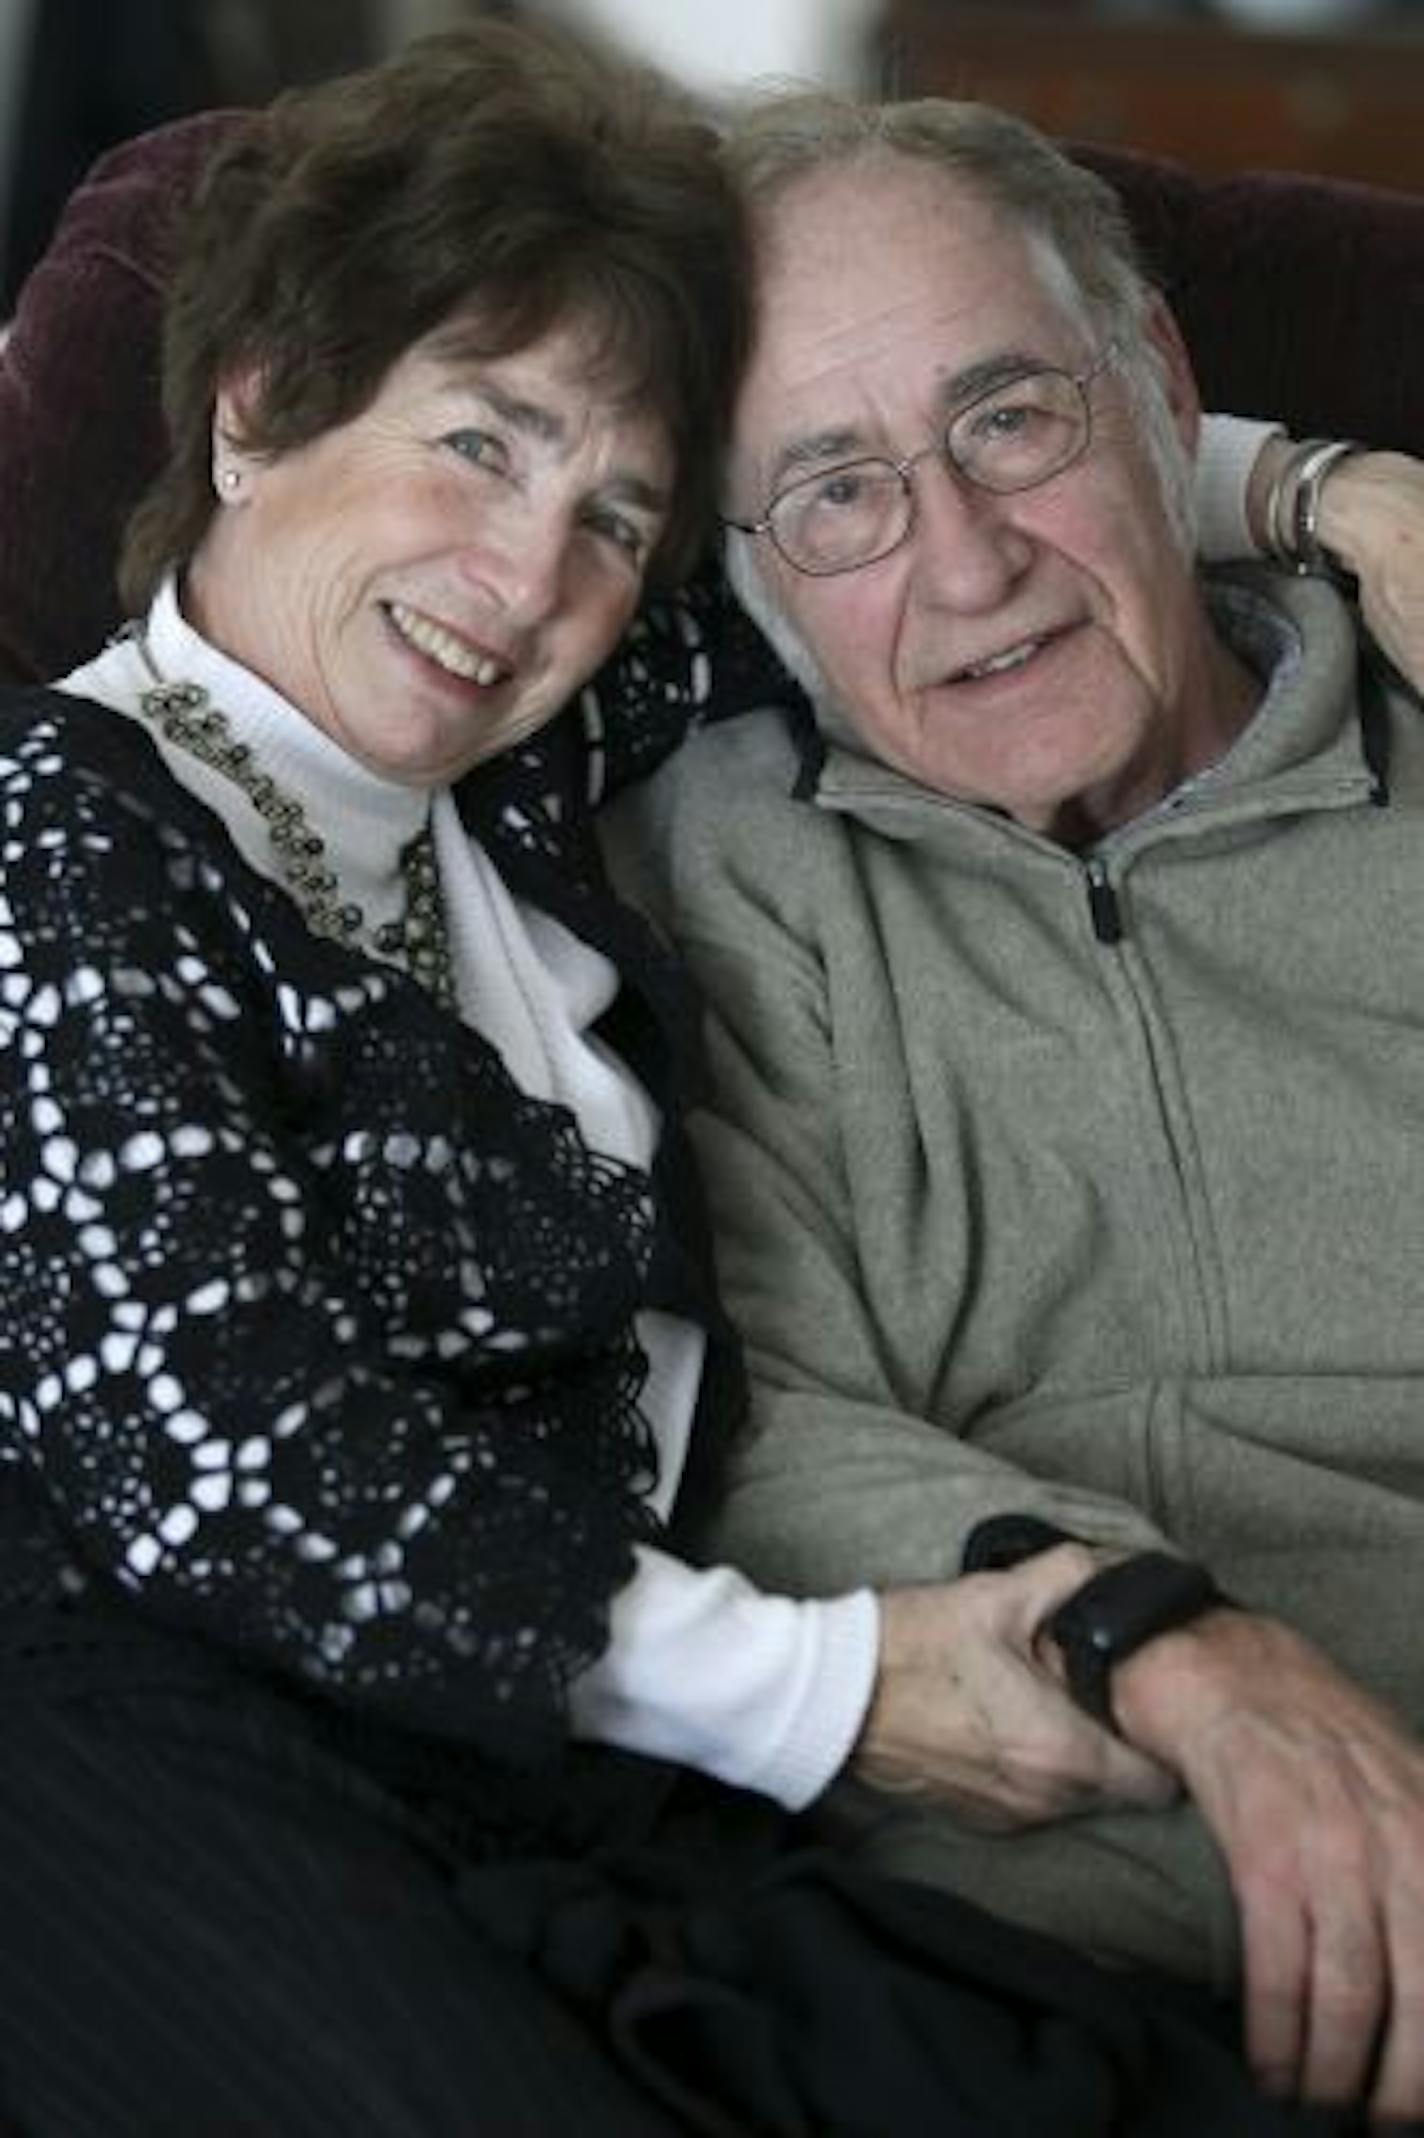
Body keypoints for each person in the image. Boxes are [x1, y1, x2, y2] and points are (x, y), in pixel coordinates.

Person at [5, 22, 1352, 2138]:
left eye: (613, 508)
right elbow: (221, 1454)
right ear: (260, 408)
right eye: (477, 442)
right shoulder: (55, 830)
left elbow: (929, 512)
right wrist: (830, 1693)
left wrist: (1316, 486)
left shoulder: (521, 763)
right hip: (147, 1730)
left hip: (545, 1790)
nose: (530, 571)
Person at [604, 84, 1424, 2132]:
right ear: (743, 564)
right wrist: (1171, 1639)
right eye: (836, 495)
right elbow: (738, 1412)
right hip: (1032, 1927)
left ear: (1156, 387)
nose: (961, 562)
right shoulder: (706, 873)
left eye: (1011, 418)